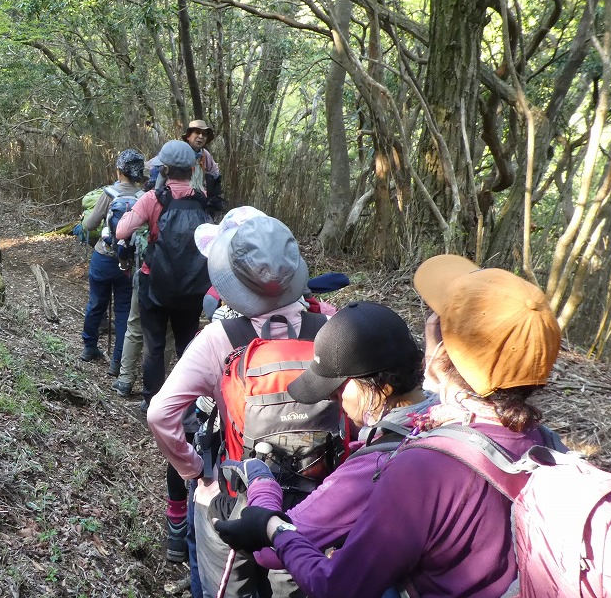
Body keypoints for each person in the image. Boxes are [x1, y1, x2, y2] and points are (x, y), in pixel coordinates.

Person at [214, 254, 562, 598]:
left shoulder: (414, 468)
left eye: (438, 319)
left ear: (441, 356)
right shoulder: (543, 444)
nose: (334, 400)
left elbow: (329, 582)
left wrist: (266, 502)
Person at [148, 208, 315, 596]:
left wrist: (193, 469)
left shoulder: (217, 339)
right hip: (311, 501)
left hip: (232, 492)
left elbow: (160, 413)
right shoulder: (330, 328)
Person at [228, 302, 435, 590]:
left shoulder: (375, 465)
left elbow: (269, 551)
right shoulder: (446, 413)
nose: (332, 398)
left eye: (338, 387)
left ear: (383, 385)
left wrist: (263, 485)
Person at [116, 139, 213, 564]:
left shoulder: (153, 200)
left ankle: (153, 402)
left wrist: (137, 217)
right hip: (191, 291)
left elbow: (122, 231)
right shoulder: (202, 200)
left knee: (155, 347)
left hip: (156, 286)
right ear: (191, 170)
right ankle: (188, 404)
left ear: (164, 170)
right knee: (189, 346)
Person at [79, 149, 147, 371]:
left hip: (104, 257)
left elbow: (89, 225)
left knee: (96, 302)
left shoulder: (108, 194)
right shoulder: (144, 197)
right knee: (124, 311)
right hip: (129, 263)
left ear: (119, 170)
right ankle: (117, 361)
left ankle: (89, 347)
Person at [148, 120, 224, 213]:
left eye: (204, 134)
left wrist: (214, 197)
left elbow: (214, 174)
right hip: (172, 199)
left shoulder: (205, 155)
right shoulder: (177, 150)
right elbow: (156, 163)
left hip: (196, 200)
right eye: (197, 132)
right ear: (188, 136)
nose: (201, 136)